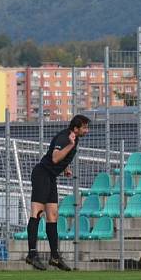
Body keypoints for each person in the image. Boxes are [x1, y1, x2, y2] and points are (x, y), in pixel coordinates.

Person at [25, 114, 90, 271]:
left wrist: (65, 167)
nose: (87, 130)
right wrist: (69, 146)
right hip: (42, 175)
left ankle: (54, 256)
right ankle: (32, 254)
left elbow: (59, 160)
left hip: (50, 177)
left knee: (53, 215)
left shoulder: (72, 138)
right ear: (76, 128)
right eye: (85, 127)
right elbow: (54, 158)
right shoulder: (66, 138)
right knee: (37, 213)